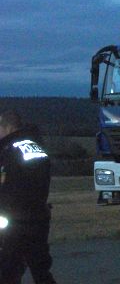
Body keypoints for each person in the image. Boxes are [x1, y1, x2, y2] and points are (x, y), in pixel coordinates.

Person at [0, 110, 56, 284]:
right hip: (38, 216)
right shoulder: (36, 146)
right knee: (40, 269)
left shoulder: (8, 150)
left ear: (8, 127)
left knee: (9, 270)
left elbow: (7, 184)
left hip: (14, 219)